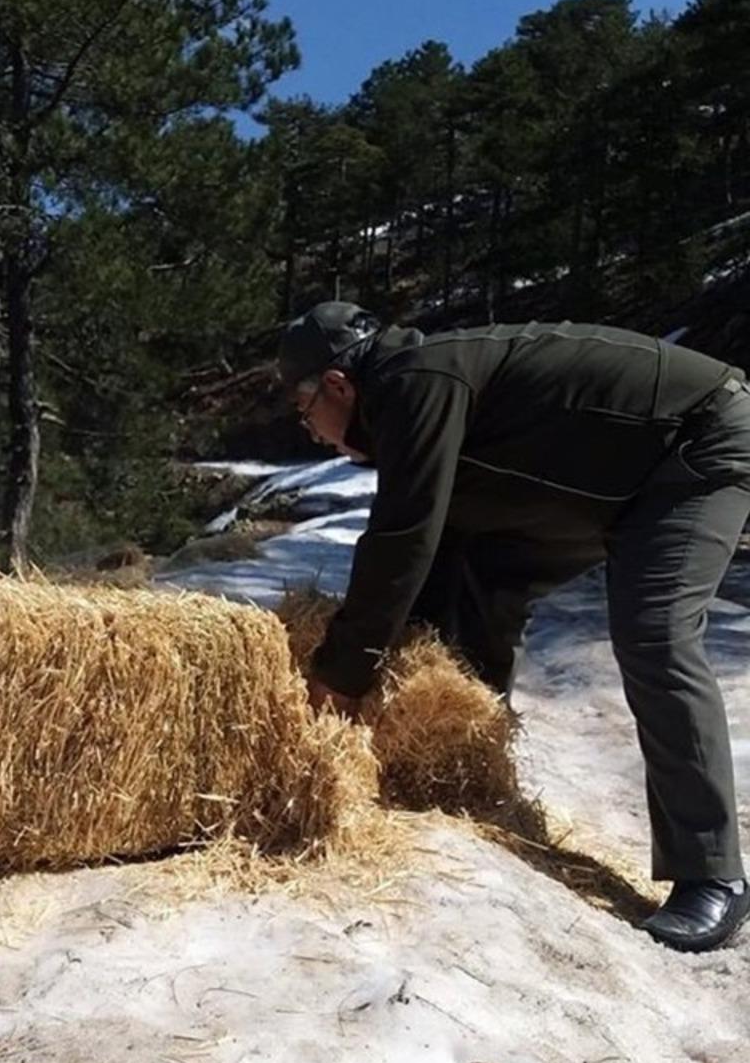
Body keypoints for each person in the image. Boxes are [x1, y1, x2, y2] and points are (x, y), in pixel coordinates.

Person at [277, 301, 750, 953]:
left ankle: (711, 875)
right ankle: (469, 774)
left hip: (694, 441)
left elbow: (402, 535)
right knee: (481, 579)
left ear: (336, 385)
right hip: (602, 481)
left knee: (654, 632)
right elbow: (435, 550)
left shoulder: (415, 381)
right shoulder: (410, 389)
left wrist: (341, 673)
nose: (313, 434)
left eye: (304, 415)